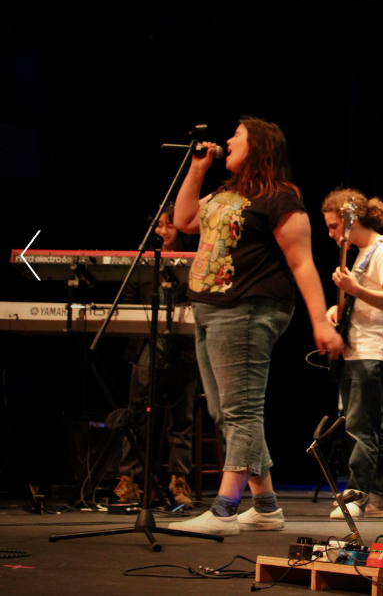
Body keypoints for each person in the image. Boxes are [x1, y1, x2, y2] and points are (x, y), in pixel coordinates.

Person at [169, 117, 343, 536]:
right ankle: (265, 506)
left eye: (237, 137)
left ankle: (225, 509)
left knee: (242, 411)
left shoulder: (281, 198)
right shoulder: (227, 191)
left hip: (250, 308)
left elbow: (303, 263)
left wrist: (321, 321)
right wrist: (196, 169)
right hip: (210, 308)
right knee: (224, 411)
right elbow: (185, 220)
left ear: (259, 146)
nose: (227, 141)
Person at [321, 188, 383, 519]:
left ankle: (356, 496)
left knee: (359, 426)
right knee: (372, 425)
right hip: (357, 347)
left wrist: (353, 289)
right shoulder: (361, 253)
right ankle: (382, 499)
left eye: (331, 226)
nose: (329, 234)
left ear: (348, 219)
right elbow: (361, 299)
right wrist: (337, 309)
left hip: (374, 348)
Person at [114, 204, 199, 510]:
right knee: (136, 416)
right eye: (158, 226)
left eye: (169, 227)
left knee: (181, 419)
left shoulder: (194, 263)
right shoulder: (144, 263)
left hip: (183, 354)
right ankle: (130, 480)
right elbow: (127, 304)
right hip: (146, 352)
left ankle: (178, 479)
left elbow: (197, 304)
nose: (162, 232)